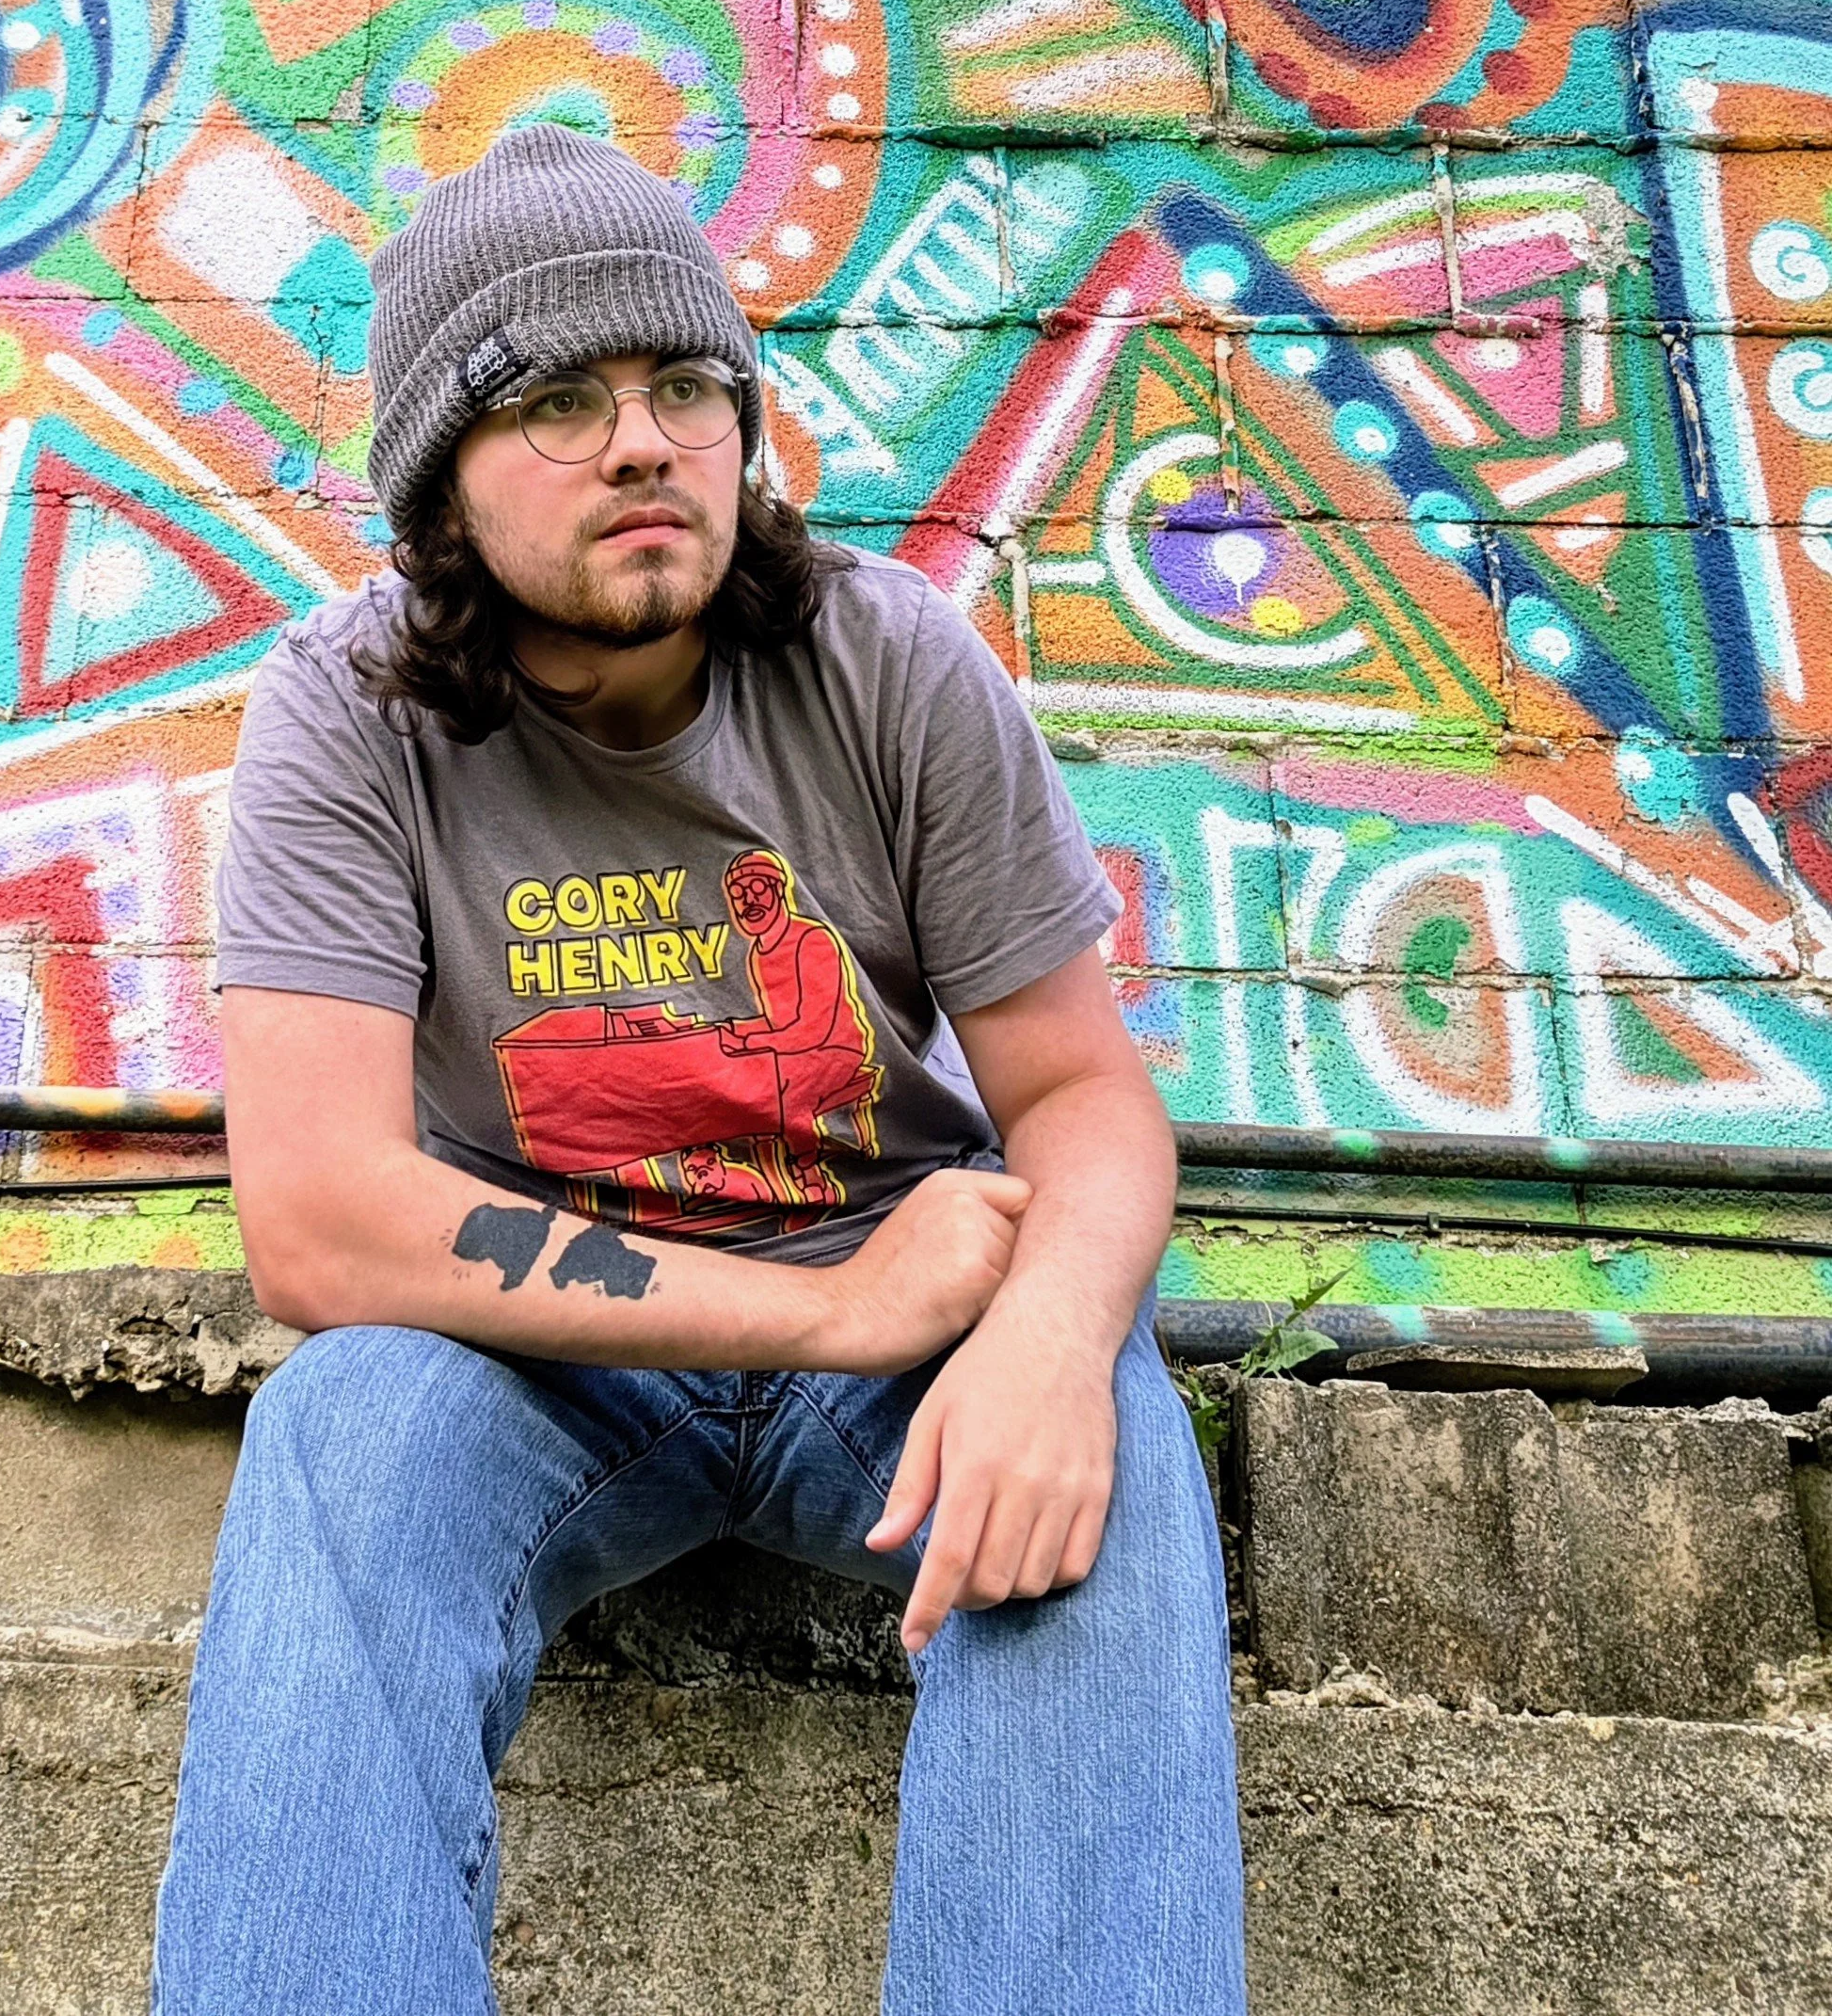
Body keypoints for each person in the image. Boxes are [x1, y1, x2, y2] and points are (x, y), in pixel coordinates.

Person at [153, 122, 1246, 2016]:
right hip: (545, 1364)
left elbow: (1083, 1099)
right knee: (340, 1430)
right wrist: (813, 1317)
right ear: (440, 482)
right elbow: (321, 1221)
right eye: (558, 401)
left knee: (1107, 1435)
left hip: (900, 1339)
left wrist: (1048, 1345)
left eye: (682, 384)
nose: (643, 439)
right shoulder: (346, 712)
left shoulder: (886, 660)